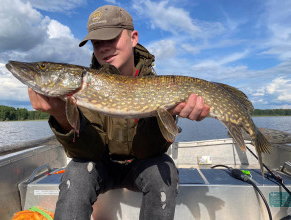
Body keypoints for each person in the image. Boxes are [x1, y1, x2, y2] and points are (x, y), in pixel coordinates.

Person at [28, 5, 210, 220]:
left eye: (111, 38)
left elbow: (148, 152)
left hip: (141, 165)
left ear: (133, 38)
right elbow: (89, 154)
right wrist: (61, 116)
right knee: (76, 171)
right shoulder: (86, 87)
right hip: (101, 166)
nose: (104, 48)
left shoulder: (160, 86)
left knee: (164, 168)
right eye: (97, 42)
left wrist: (164, 114)